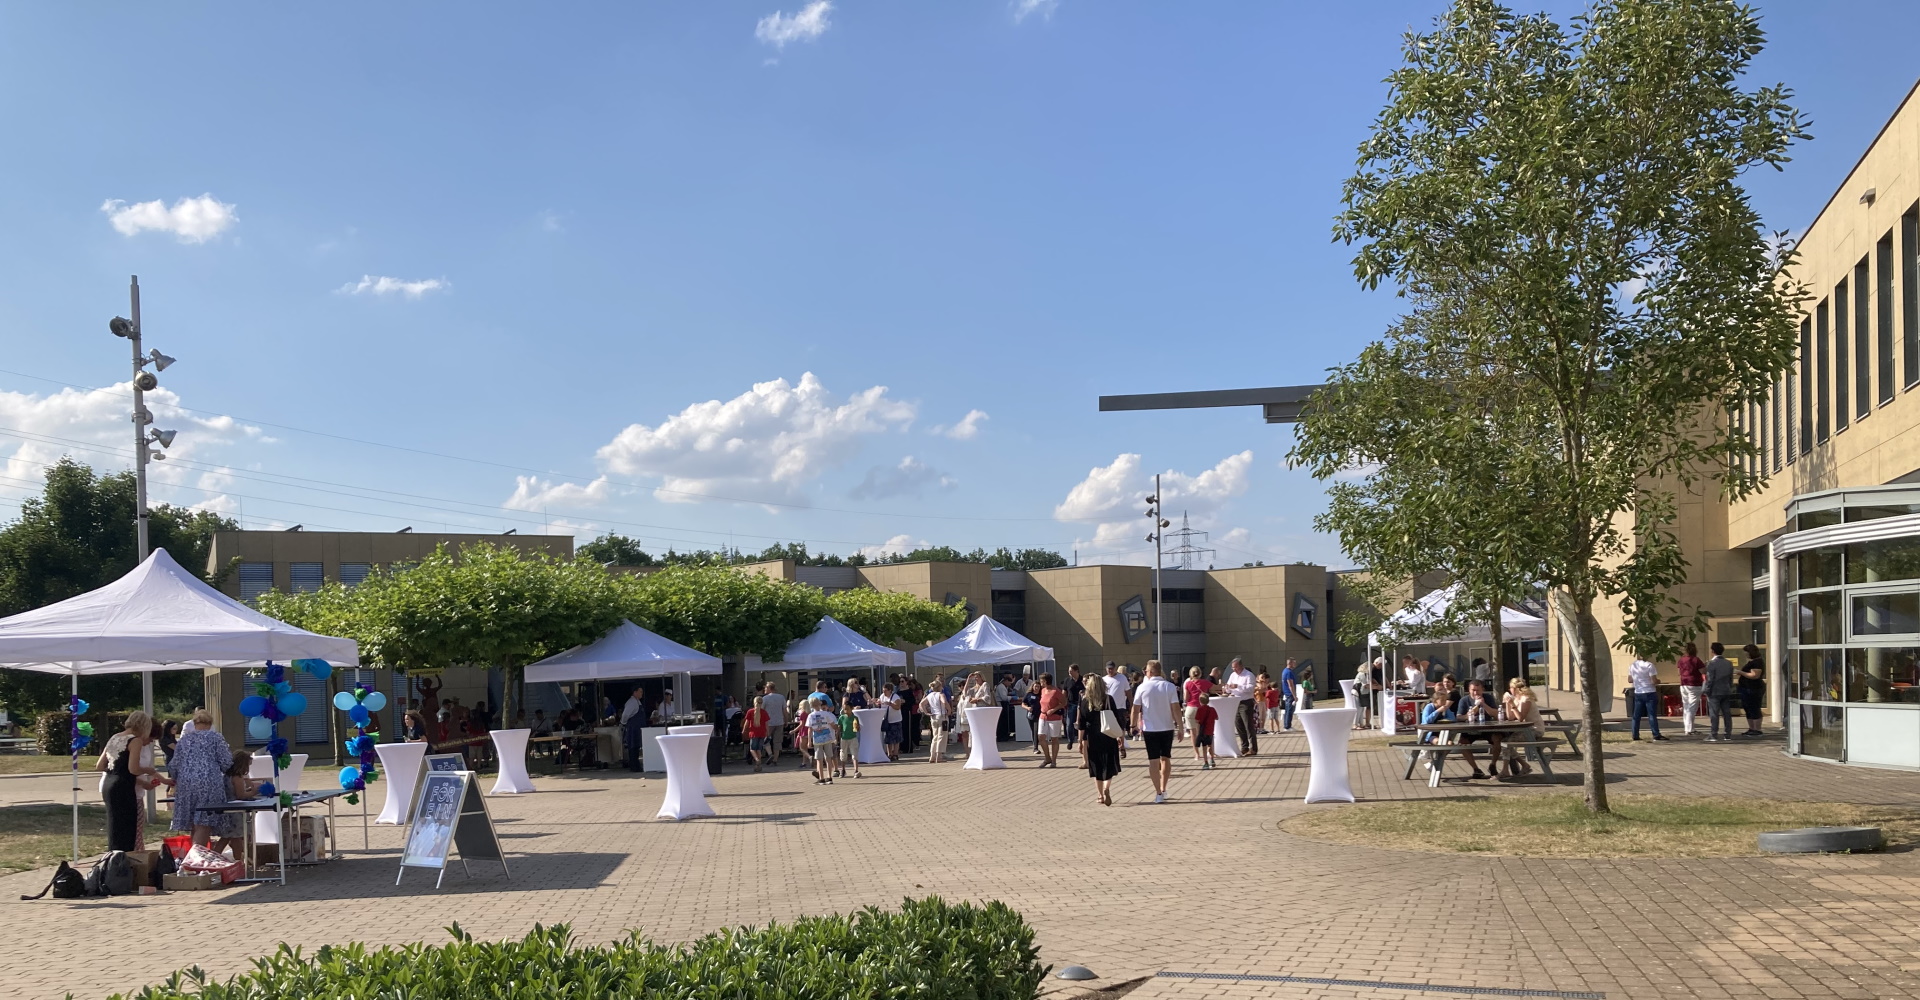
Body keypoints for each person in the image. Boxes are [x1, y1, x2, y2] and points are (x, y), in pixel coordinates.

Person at [98, 711, 170, 852]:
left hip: (109, 784)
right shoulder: (135, 740)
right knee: (128, 829)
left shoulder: (115, 737)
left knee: (115, 827)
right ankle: (127, 857)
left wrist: (116, 768)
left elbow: (100, 765)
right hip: (123, 786)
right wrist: (148, 770)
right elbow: (134, 769)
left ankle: (114, 855)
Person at [170, 709, 240, 849]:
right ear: (210, 723)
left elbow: (174, 765)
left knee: (194, 824)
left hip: (186, 784)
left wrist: (176, 779)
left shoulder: (184, 740)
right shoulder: (215, 737)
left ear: (194, 723)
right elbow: (226, 762)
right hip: (208, 783)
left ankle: (194, 856)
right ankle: (196, 858)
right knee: (204, 823)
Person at [1131, 660, 1180, 804]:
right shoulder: (1169, 686)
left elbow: (1135, 709)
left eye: (1146, 671)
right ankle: (1163, 788)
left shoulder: (1142, 687)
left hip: (1150, 729)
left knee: (1153, 761)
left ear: (1151, 672)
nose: (1145, 673)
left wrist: (1133, 725)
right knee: (1166, 758)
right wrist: (1181, 727)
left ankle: (1158, 792)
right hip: (1167, 727)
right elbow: (1176, 708)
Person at [1078, 666, 1121, 806]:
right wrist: (1120, 737)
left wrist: (1080, 741)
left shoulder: (1085, 701)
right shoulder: (1109, 699)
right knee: (1108, 764)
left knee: (1096, 765)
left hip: (1093, 736)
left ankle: (1100, 795)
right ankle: (1107, 788)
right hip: (1108, 734)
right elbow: (1117, 719)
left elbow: (1081, 724)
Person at [1453, 678, 1502, 780]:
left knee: (1497, 739)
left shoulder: (1488, 698)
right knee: (1462, 743)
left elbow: (1496, 714)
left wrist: (1484, 704)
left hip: (1487, 728)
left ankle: (1493, 765)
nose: (1475, 693)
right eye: (1473, 690)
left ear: (1482, 690)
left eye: (1478, 690)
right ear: (1469, 690)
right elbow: (1459, 717)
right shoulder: (1464, 700)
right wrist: (1471, 712)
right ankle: (1476, 769)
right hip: (1470, 729)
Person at [1627, 654, 1668, 740]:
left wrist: (1638, 680)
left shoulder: (1633, 665)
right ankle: (1656, 734)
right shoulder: (1649, 665)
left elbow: (1630, 680)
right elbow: (1654, 681)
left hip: (1638, 692)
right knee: (1652, 715)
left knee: (1636, 715)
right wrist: (1658, 681)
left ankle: (1635, 734)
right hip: (1650, 692)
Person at [1703, 643, 1738, 742]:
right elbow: (1730, 678)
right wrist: (1729, 687)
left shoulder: (1711, 663)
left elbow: (1710, 679)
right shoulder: (1728, 663)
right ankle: (1728, 734)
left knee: (1714, 714)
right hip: (1726, 690)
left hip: (1714, 691)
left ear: (1712, 651)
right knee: (1726, 713)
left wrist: (1707, 690)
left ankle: (1714, 734)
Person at [1226, 658, 1258, 755]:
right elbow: (1228, 687)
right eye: (1233, 668)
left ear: (1241, 666)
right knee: (1239, 725)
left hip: (1246, 702)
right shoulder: (1232, 675)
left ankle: (1253, 748)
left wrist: (1238, 686)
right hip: (1235, 702)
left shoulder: (1249, 675)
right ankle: (1244, 747)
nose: (1234, 670)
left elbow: (1251, 688)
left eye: (1236, 667)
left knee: (1248, 725)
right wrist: (1227, 688)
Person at [1035, 673, 1066, 767]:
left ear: (1046, 681)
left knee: (1054, 738)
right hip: (1043, 716)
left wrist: (1054, 709)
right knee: (1041, 737)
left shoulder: (1056, 691)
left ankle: (1054, 760)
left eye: (1041, 681)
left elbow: (1064, 702)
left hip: (1054, 717)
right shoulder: (1043, 690)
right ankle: (1047, 758)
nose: (1040, 683)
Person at [806, 698, 838, 784]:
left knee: (819, 759)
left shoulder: (810, 716)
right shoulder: (826, 714)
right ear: (820, 704)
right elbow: (832, 724)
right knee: (828, 757)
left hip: (817, 738)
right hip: (827, 737)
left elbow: (810, 729)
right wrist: (836, 730)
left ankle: (821, 778)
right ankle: (829, 777)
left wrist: (809, 740)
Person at [1676, 642, 1706, 736]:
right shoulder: (1696, 660)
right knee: (1692, 707)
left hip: (1684, 684)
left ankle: (1689, 728)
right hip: (1694, 684)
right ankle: (1689, 729)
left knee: (1686, 707)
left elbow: (1678, 672)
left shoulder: (1681, 660)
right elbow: (1703, 671)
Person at [1102, 662, 1131, 757]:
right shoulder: (1103, 679)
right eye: (1108, 669)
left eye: (1112, 669)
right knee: (1108, 728)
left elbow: (1128, 692)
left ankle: (1122, 746)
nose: (1110, 670)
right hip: (1107, 708)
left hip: (1120, 707)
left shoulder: (1122, 678)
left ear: (1115, 669)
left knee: (1120, 727)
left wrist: (1131, 705)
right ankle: (1111, 746)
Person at [1737, 644, 1766, 736]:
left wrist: (1740, 672)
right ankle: (1751, 728)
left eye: (1746, 653)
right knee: (1748, 708)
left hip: (1753, 688)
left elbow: (1754, 675)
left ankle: (1757, 729)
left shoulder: (1757, 662)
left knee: (1754, 707)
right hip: (1746, 688)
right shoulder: (1752, 662)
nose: (1746, 654)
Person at [919, 681, 950, 764]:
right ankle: (939, 756)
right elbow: (944, 702)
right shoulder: (941, 694)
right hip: (942, 716)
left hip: (933, 717)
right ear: (939, 687)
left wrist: (926, 712)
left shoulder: (929, 695)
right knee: (941, 736)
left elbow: (921, 704)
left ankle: (932, 756)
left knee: (935, 737)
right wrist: (949, 709)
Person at [759, 683, 787, 764]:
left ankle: (770, 753)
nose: (764, 689)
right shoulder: (781, 697)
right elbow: (784, 711)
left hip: (768, 722)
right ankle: (775, 759)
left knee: (765, 739)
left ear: (769, 688)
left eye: (765, 688)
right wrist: (786, 720)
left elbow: (761, 710)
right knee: (777, 741)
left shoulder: (765, 698)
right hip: (779, 721)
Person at [1183, 666, 1209, 755]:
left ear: (1190, 674)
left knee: (1193, 733)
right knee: (1204, 732)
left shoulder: (1188, 683)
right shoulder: (1205, 682)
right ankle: (1206, 752)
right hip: (1202, 708)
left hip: (1190, 708)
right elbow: (1215, 688)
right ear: (1200, 673)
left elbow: (1186, 698)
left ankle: (1197, 754)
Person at [836, 698, 863, 779]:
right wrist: (836, 738)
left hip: (853, 737)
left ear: (851, 708)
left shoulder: (855, 718)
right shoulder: (841, 718)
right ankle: (843, 770)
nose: (846, 711)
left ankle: (856, 770)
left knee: (854, 754)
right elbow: (839, 729)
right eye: (844, 709)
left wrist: (858, 727)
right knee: (843, 754)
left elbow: (857, 729)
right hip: (844, 738)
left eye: (847, 709)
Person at [745, 695, 772, 772]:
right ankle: (758, 766)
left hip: (753, 733)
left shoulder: (750, 712)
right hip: (762, 733)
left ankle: (757, 760)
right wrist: (768, 733)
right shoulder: (764, 712)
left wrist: (744, 730)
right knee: (759, 749)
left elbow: (746, 723)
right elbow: (767, 724)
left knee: (752, 749)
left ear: (754, 703)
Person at [1192, 692, 1219, 769]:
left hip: (1203, 731)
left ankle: (1206, 762)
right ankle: (1212, 759)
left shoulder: (1200, 709)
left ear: (1200, 701)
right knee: (1210, 745)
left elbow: (1197, 720)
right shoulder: (1212, 709)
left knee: (1204, 747)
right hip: (1210, 730)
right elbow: (1217, 718)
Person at [879, 683, 904, 760]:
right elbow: (880, 704)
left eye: (885, 691)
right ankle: (889, 754)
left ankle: (895, 754)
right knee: (888, 739)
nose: (884, 692)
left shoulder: (895, 697)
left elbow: (898, 707)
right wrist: (877, 702)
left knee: (896, 738)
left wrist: (890, 704)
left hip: (895, 720)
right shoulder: (882, 696)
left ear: (890, 690)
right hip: (887, 720)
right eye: (883, 691)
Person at [1064, 664, 1085, 752]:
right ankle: (1070, 740)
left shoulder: (1083, 680)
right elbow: (1064, 691)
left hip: (1082, 704)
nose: (1069, 672)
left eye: (1071, 671)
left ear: (1077, 671)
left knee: (1082, 723)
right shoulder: (1067, 680)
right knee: (1069, 724)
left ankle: (1082, 740)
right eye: (1069, 671)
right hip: (1071, 704)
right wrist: (1064, 702)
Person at [1279, 658, 1301, 731]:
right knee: (1289, 710)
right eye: (1294, 663)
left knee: (1287, 709)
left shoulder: (1284, 671)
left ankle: (1287, 725)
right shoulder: (1289, 672)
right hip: (1289, 693)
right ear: (1290, 663)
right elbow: (1290, 684)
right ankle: (1287, 726)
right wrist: (1294, 695)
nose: (1295, 664)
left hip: (1286, 693)